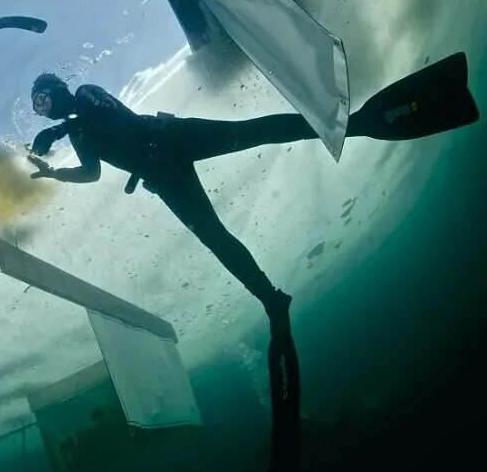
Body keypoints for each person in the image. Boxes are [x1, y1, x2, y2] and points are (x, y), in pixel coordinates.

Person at [25, 53, 478, 332]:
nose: (41, 110)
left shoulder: (85, 96)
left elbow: (118, 119)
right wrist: (54, 175)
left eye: (41, 100)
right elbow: (90, 174)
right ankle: (269, 297)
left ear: (55, 90)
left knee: (259, 132)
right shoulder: (77, 135)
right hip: (163, 177)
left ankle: (359, 123)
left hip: (172, 138)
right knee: (215, 238)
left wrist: (62, 130)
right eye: (37, 109)